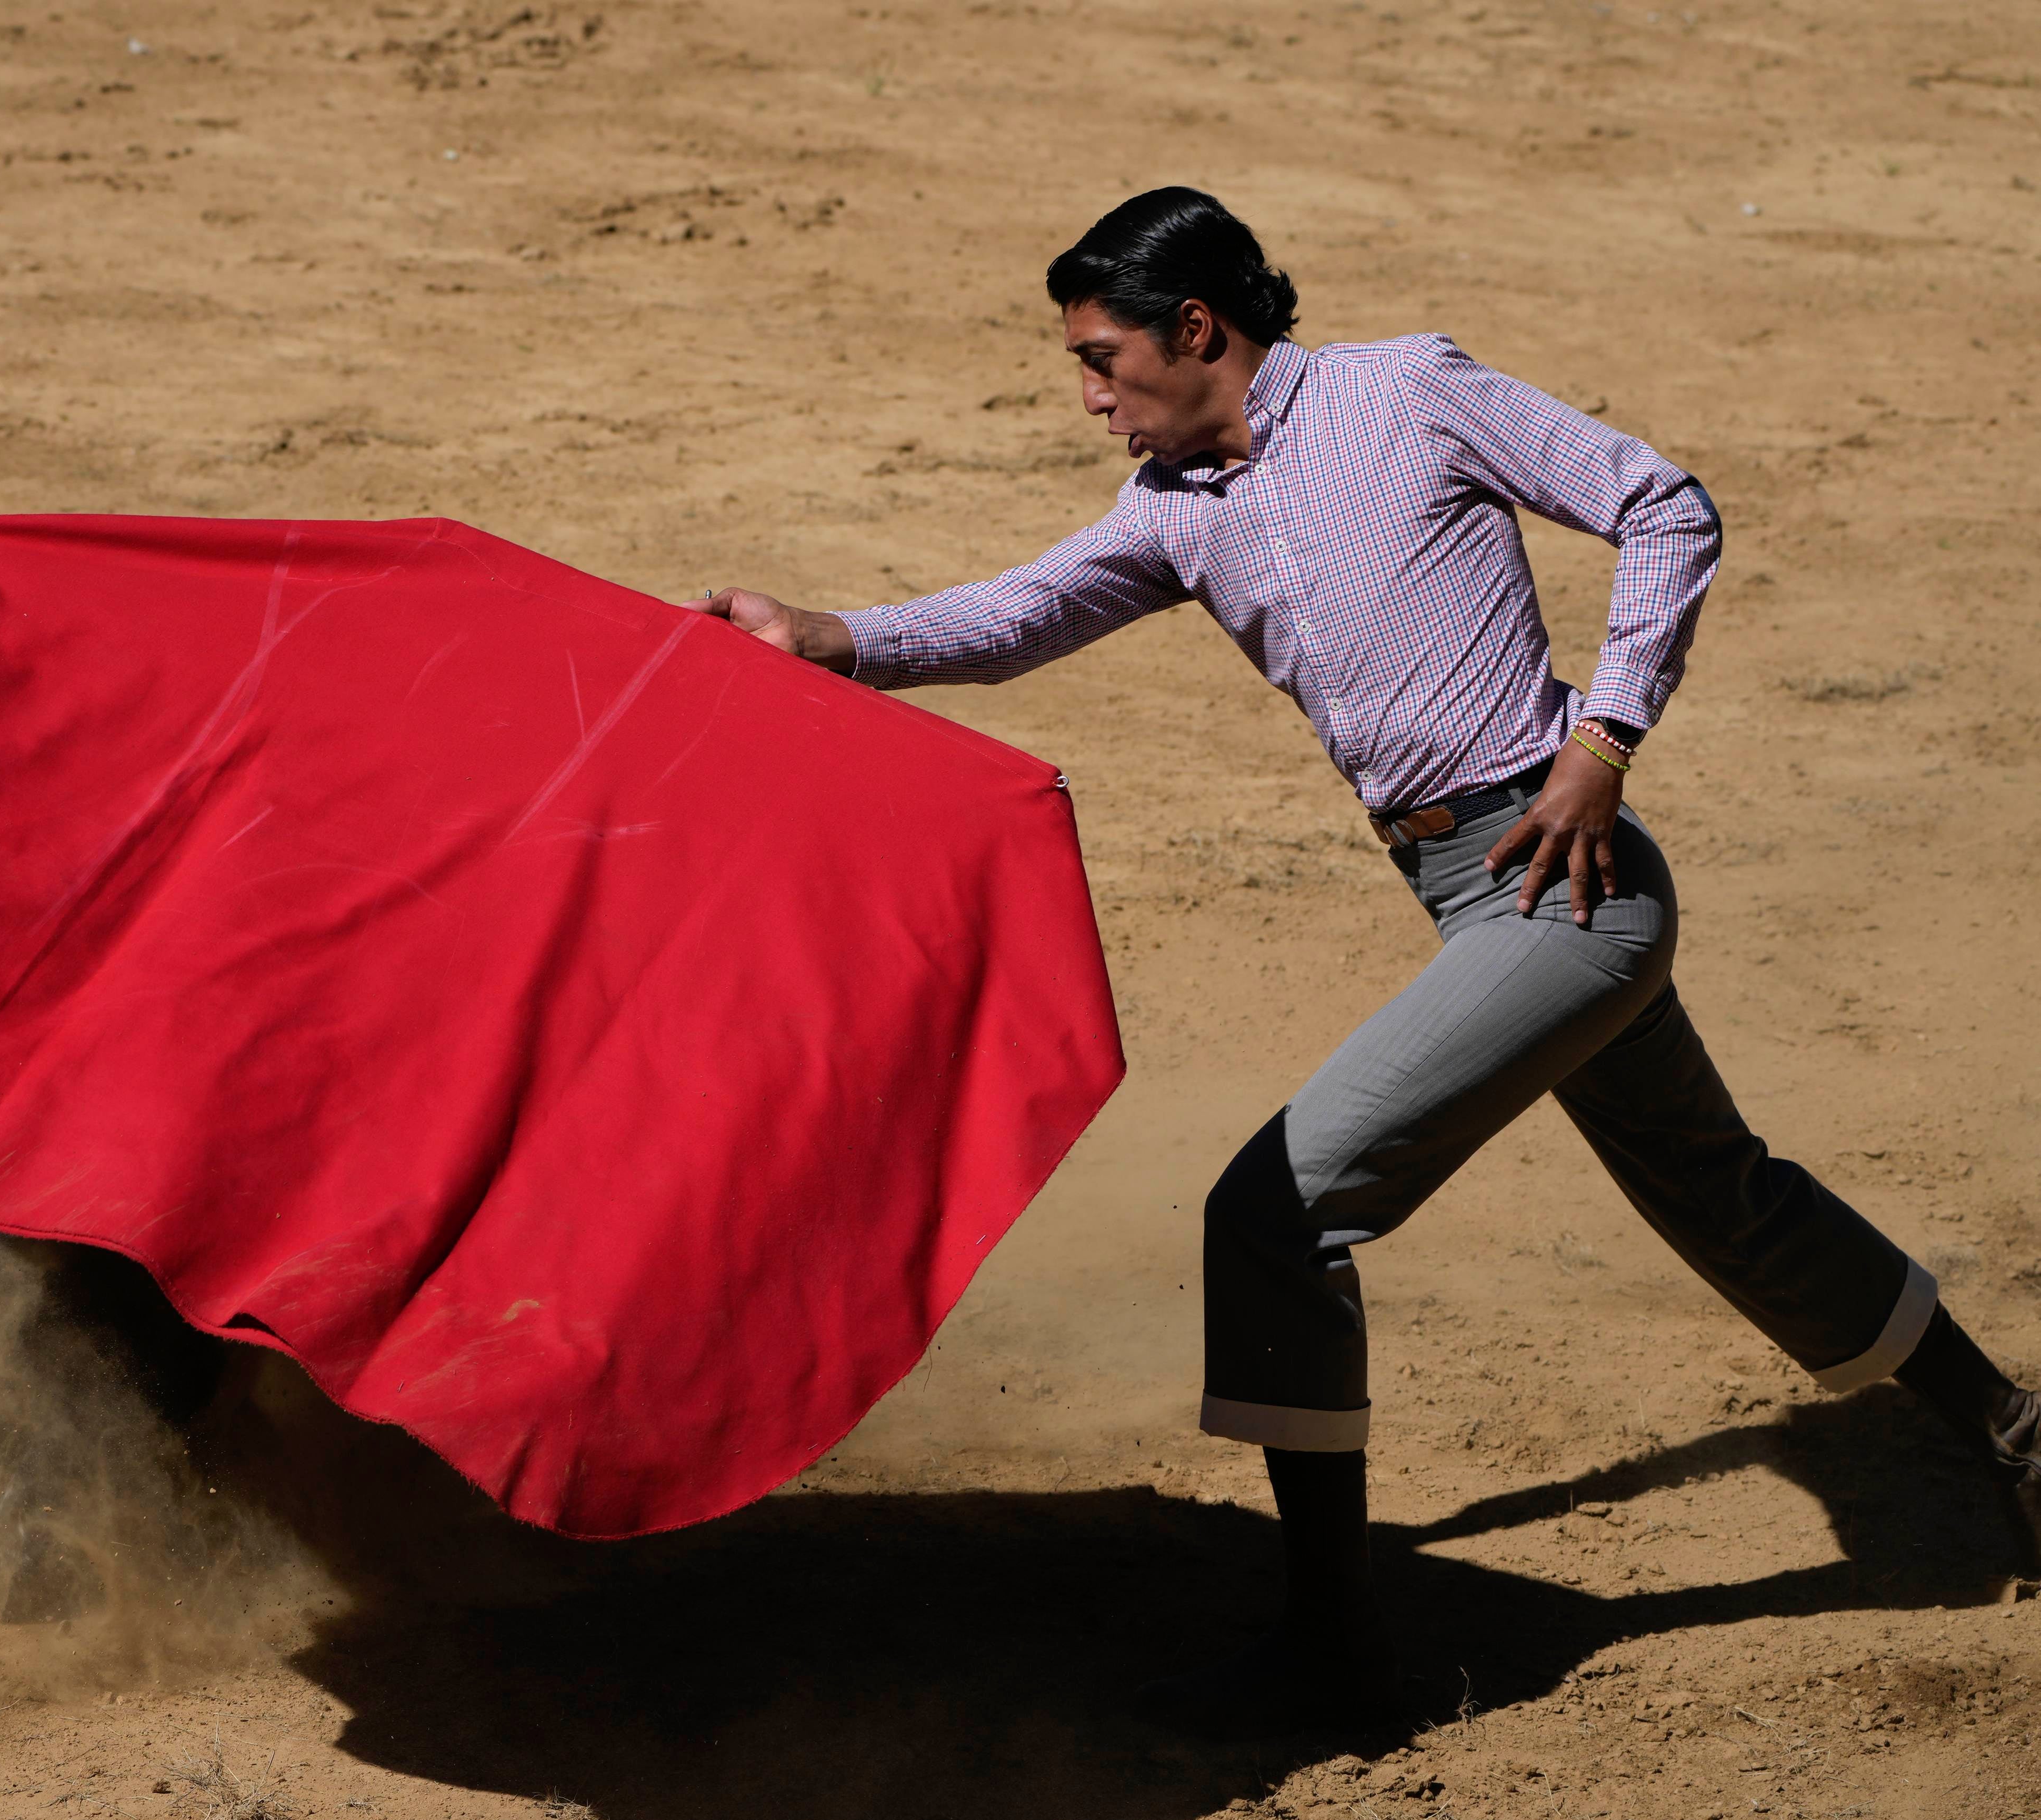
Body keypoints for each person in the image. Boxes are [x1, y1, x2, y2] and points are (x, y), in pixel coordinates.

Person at [683, 186, 2041, 1727]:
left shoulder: (1405, 391)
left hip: (1563, 878)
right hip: (1475, 897)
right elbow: (1021, 612)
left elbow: (1662, 502)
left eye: (1102, 356)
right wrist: (830, 636)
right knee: (1721, 1191)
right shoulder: (1174, 504)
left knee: (1277, 1207)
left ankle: (1335, 1646)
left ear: (1198, 329)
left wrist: (1601, 739)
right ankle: (2014, 1431)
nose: (1087, 394)